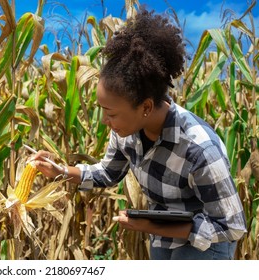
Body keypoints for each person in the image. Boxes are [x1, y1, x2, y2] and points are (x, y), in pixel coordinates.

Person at [31, 8, 247, 260]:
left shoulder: (199, 149)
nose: (105, 121)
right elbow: (107, 173)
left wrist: (149, 226)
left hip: (205, 246)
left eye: (111, 114)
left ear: (145, 107)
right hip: (163, 240)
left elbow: (231, 227)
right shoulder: (126, 131)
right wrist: (61, 171)